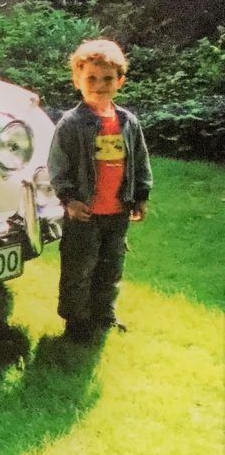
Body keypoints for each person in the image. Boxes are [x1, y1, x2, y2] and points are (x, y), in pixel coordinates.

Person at [48, 39, 153, 342]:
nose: (99, 85)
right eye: (91, 78)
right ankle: (76, 322)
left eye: (108, 79)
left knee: (110, 268)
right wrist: (68, 199)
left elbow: (141, 160)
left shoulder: (127, 122)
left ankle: (104, 315)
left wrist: (141, 195)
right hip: (84, 214)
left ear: (120, 80)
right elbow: (58, 166)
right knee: (79, 270)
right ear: (77, 80)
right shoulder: (71, 124)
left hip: (116, 212)